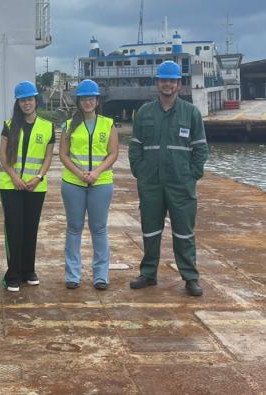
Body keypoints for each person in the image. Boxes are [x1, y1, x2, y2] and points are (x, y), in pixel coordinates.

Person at [128, 60, 209, 297]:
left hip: (180, 185)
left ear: (179, 85)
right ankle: (148, 273)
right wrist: (140, 172)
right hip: (151, 184)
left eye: (171, 81)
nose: (167, 84)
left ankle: (191, 277)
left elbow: (201, 149)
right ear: (157, 83)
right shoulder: (144, 112)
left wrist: (192, 175)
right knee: (150, 230)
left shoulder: (191, 112)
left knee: (184, 232)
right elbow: (135, 148)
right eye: (163, 80)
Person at [58, 79, 118, 290]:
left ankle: (100, 275)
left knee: (99, 228)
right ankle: (72, 275)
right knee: (74, 228)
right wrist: (80, 173)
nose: (88, 102)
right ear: (79, 101)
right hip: (73, 183)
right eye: (84, 98)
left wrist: (96, 173)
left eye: (91, 98)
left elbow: (113, 153)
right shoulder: (68, 125)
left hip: (101, 183)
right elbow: (63, 155)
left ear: (97, 100)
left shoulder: (107, 124)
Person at [0, 81, 55, 292]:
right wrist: (14, 177)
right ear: (18, 103)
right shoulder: (9, 124)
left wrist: (38, 177)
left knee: (31, 229)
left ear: (36, 101)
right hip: (11, 186)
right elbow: (3, 156)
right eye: (23, 100)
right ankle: (13, 274)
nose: (26, 103)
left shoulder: (48, 126)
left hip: (35, 187)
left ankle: (28, 270)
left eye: (30, 99)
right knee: (14, 229)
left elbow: (48, 157)